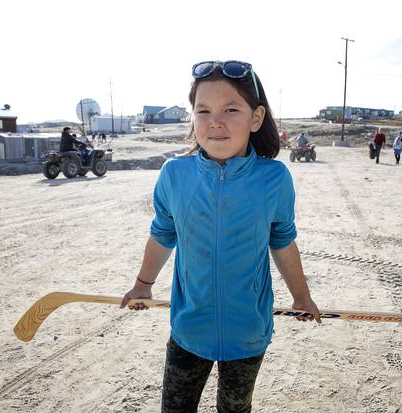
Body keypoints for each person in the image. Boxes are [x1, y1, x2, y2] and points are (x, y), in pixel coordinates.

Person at [120, 60, 322, 413]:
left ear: (255, 118)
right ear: (192, 117)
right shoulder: (174, 174)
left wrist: (302, 296)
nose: (215, 121)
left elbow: (283, 242)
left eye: (231, 109)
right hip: (188, 328)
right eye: (203, 110)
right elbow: (162, 234)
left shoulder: (274, 178)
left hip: (248, 332)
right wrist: (142, 284)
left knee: (235, 410)